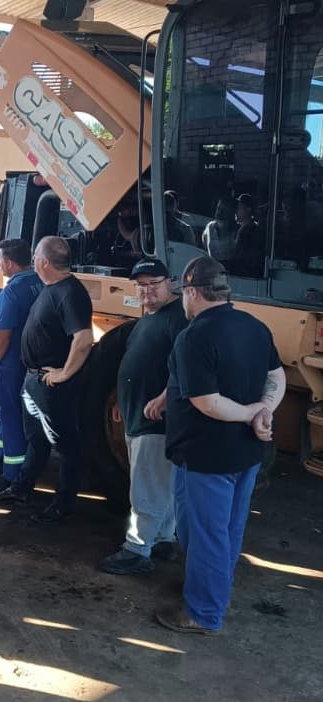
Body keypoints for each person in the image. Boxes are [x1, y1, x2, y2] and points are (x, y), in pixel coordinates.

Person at [156, 257, 284, 635]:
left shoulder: (194, 336)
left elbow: (206, 401)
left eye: (184, 293)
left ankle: (204, 613)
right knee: (226, 530)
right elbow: (276, 375)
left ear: (193, 291)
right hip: (245, 454)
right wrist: (264, 411)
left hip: (205, 456)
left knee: (205, 534)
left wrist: (250, 413)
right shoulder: (255, 327)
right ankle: (211, 590)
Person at [0, 236, 93, 524]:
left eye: (36, 255)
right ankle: (22, 488)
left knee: (65, 446)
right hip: (34, 380)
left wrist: (63, 373)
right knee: (36, 439)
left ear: (45, 262)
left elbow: (84, 339)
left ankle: (62, 505)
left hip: (52, 385)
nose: (32, 259)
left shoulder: (70, 292)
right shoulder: (51, 288)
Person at [99, 258, 188, 575]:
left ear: (170, 283)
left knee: (146, 486)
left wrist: (164, 399)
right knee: (159, 482)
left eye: (154, 284)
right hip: (136, 411)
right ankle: (163, 539)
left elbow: (185, 368)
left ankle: (136, 551)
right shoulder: (151, 316)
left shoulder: (179, 319)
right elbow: (139, 362)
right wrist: (122, 400)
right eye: (141, 285)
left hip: (157, 419)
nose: (147, 291)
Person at [0, 239, 43, 490]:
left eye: (0, 259)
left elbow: (3, 334)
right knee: (7, 411)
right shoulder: (38, 282)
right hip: (28, 360)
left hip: (9, 364)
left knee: (12, 418)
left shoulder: (12, 291)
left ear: (10, 263)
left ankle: (12, 475)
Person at [232, 194, 264, 278]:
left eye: (239, 208)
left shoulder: (249, 231)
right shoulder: (240, 229)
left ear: (248, 209)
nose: (236, 211)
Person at [202, 198, 236, 265]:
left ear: (231, 212)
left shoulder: (236, 230)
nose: (219, 212)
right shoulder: (210, 227)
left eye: (224, 210)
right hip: (211, 269)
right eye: (218, 208)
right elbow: (205, 247)